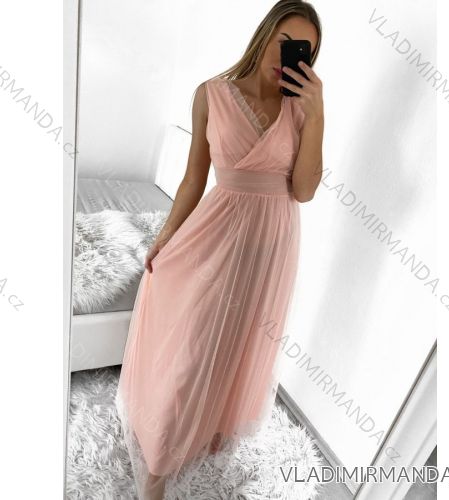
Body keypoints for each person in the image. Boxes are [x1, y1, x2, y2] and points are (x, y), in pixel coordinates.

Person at [115, 1, 324, 498]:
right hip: (216, 237)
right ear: (265, 35)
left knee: (240, 343)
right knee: (192, 349)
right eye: (286, 43)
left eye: (305, 51)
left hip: (272, 248)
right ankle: (158, 465)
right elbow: (194, 177)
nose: (292, 57)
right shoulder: (211, 94)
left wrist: (317, 115)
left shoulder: (301, 108)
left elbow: (304, 190)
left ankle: (209, 427)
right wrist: (165, 236)